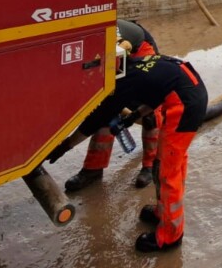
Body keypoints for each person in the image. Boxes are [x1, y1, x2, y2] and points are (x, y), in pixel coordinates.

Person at [61, 44, 208, 253]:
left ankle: (170, 236)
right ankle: (162, 212)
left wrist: (65, 146)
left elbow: (94, 121)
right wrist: (133, 116)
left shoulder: (124, 85)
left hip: (186, 108)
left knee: (166, 171)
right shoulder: (137, 67)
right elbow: (157, 93)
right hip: (187, 94)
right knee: (168, 164)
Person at [63, 19, 161, 193]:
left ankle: (149, 165)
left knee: (150, 112)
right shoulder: (78, 41)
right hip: (113, 55)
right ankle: (93, 169)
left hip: (139, 51)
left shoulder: (113, 39)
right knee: (105, 112)